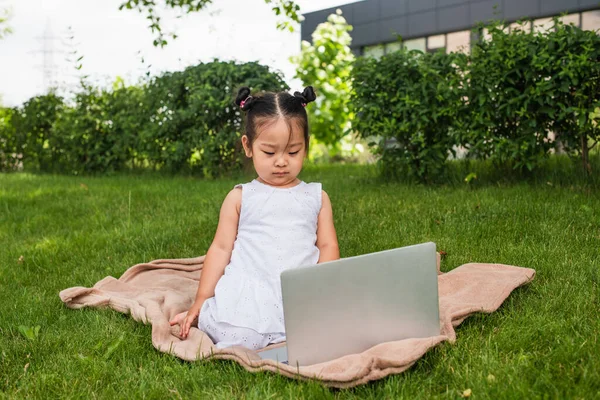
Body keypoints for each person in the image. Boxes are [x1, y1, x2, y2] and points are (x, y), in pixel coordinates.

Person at [169, 85, 340, 350]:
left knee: (331, 326)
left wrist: (318, 287)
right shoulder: (240, 197)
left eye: (293, 152)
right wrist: (201, 300)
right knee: (240, 334)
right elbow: (221, 248)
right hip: (251, 289)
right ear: (248, 147)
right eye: (269, 153)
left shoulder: (316, 197)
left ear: (306, 146)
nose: (281, 162)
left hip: (298, 289)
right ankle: (216, 319)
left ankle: (293, 331)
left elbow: (328, 246)